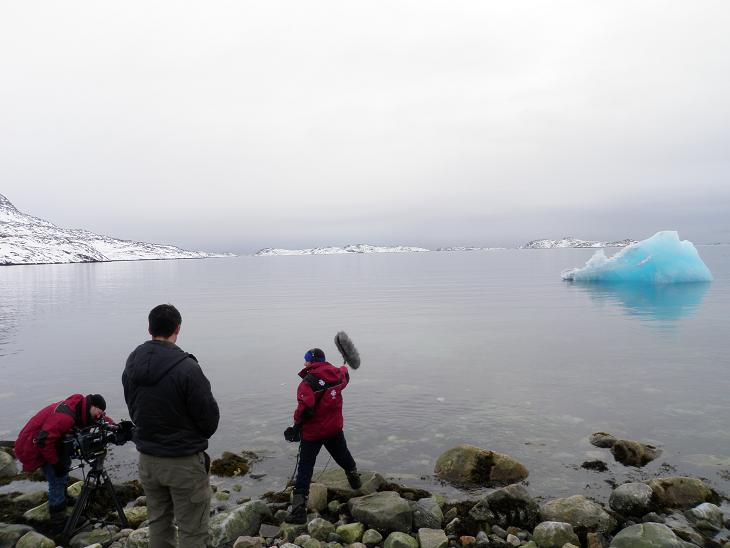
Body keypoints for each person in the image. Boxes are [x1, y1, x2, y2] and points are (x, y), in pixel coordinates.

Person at [123, 303, 219, 548]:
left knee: (158, 523)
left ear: (149, 328)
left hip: (148, 459)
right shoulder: (187, 368)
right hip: (183, 461)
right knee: (193, 531)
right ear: (178, 328)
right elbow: (209, 421)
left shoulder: (133, 362)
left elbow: (133, 407)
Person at [15, 393, 111, 529]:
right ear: (93, 406)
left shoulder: (80, 409)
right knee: (57, 478)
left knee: (65, 465)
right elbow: (44, 440)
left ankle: (63, 498)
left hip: (53, 444)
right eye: (99, 413)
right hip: (34, 446)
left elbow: (101, 420)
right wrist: (55, 463)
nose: (99, 417)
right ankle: (58, 520)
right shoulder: (65, 417)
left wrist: (115, 426)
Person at [288, 347, 361, 524]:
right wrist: (343, 368)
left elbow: (304, 408)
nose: (304, 363)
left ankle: (298, 512)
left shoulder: (307, 383)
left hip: (313, 434)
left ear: (312, 362)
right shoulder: (336, 375)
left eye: (306, 360)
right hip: (334, 429)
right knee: (342, 455)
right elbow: (345, 377)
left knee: (305, 469)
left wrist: (295, 425)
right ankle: (354, 479)